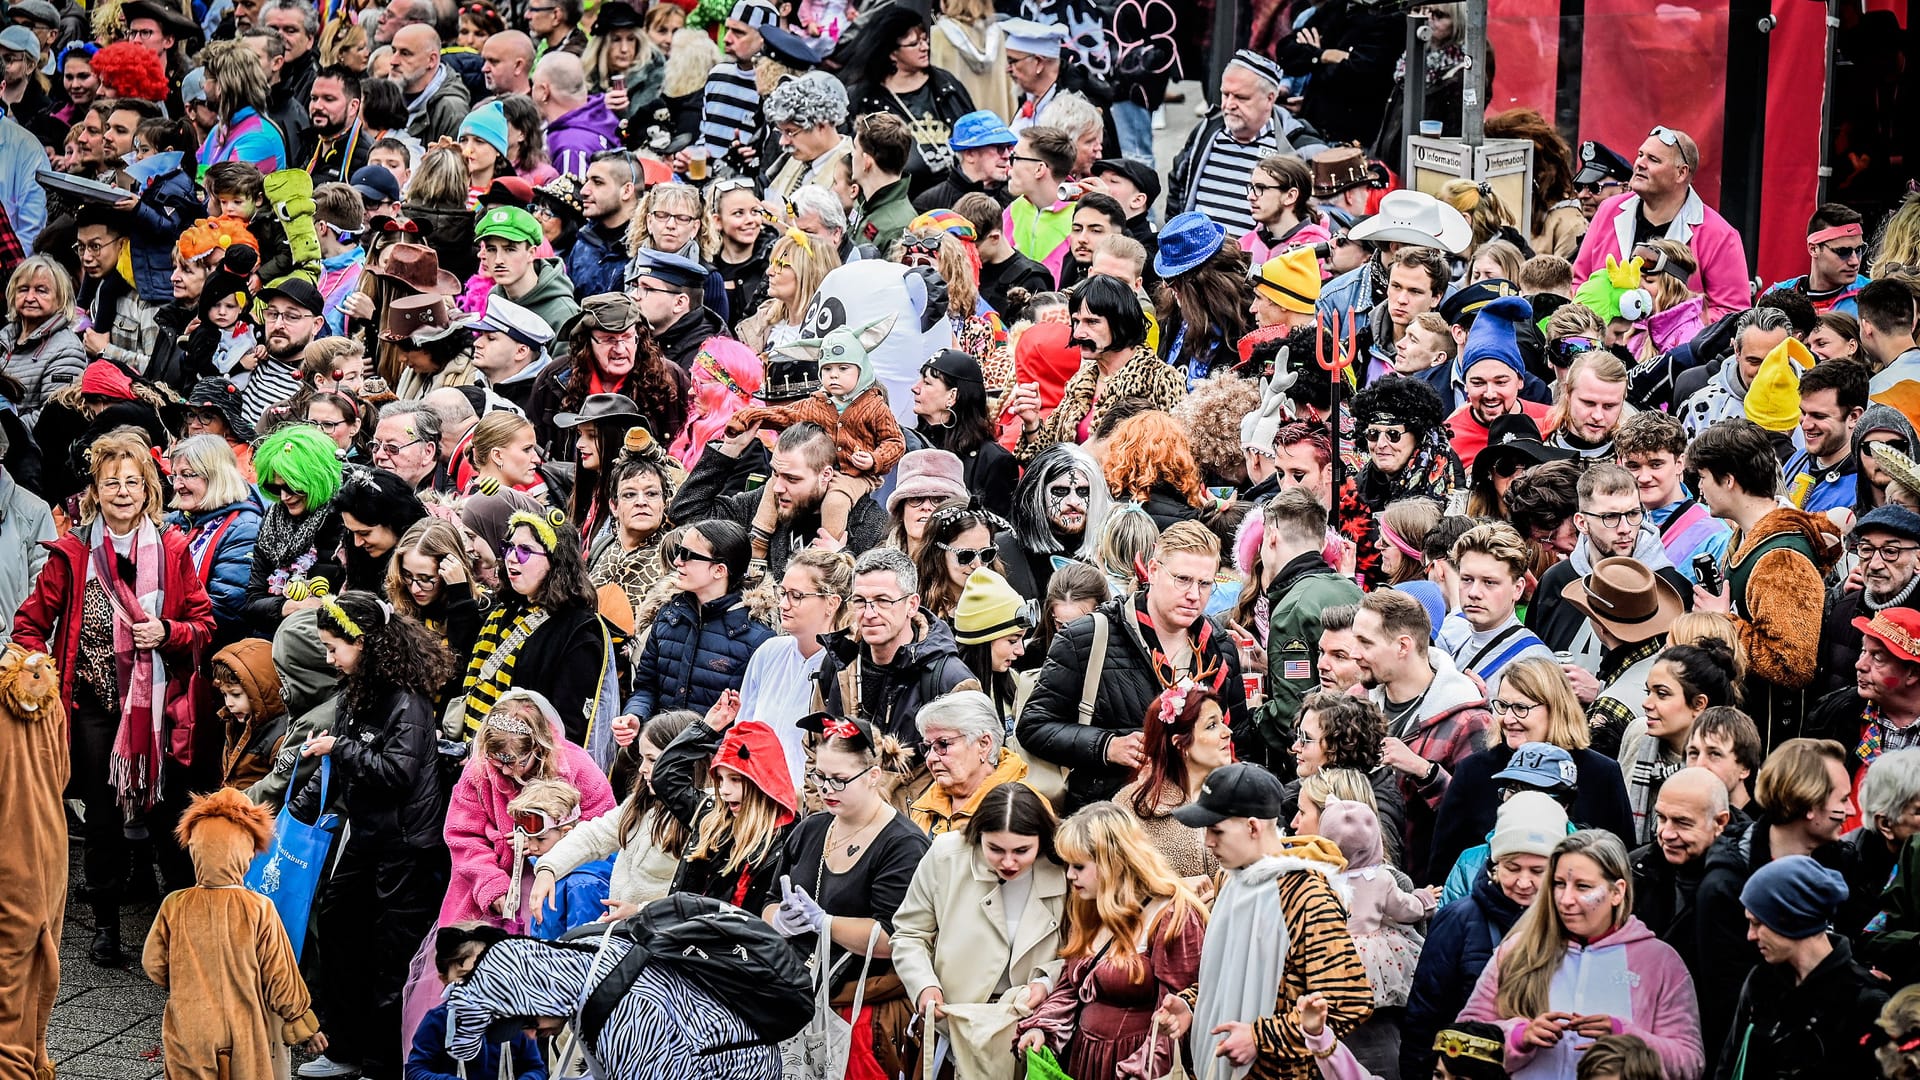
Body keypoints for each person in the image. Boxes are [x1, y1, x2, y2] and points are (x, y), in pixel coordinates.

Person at [16, 429, 216, 963]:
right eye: (111, 483)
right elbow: (29, 625)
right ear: (95, 491)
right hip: (93, 709)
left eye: (132, 482)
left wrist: (168, 632)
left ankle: (179, 928)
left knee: (166, 815)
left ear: (148, 489)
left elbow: (203, 624)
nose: (122, 492)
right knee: (101, 821)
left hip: (159, 712)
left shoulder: (173, 549)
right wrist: (41, 671)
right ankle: (105, 924)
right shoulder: (75, 551)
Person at [286, 592, 451, 1080]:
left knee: (390, 954)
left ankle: (382, 1063)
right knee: (338, 926)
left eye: (335, 647)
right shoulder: (358, 688)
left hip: (407, 847)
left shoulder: (408, 699)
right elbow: (334, 763)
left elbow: (396, 773)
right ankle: (345, 1046)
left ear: (366, 642)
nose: (329, 657)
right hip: (369, 836)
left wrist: (342, 746)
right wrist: (291, 816)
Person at [1149, 762, 1374, 1078]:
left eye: (1216, 830)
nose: (1207, 842)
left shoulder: (1306, 896)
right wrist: (1190, 1005)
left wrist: (1260, 1037)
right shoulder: (1229, 880)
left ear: (1253, 827)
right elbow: (1231, 976)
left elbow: (1347, 1002)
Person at [1018, 522, 1247, 812]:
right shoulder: (1086, 638)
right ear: (1152, 571)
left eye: (1204, 584)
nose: (1194, 595)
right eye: (1183, 579)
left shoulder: (1220, 646)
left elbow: (1239, 737)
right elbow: (1034, 725)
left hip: (1195, 819)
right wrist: (1107, 746)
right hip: (1110, 824)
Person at [1456, 829, 1704, 1078]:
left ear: (1617, 892)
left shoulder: (1660, 963)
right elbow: (1463, 1042)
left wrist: (1627, 1038)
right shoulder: (1517, 951)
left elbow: (1690, 1064)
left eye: (1583, 887)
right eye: (1559, 884)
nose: (1566, 899)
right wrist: (1519, 1037)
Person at [765, 713, 929, 1078]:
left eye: (839, 780)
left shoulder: (903, 844)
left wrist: (825, 923)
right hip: (795, 997)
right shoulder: (810, 828)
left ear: (873, 776)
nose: (826, 790)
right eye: (819, 776)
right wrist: (779, 920)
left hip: (858, 1010)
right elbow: (768, 898)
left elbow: (893, 938)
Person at [1695, 738, 1859, 1073]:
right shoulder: (1727, 882)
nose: (1853, 811)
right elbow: (1727, 1003)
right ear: (1810, 805)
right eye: (1843, 800)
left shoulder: (1845, 863)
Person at [141, 788, 323, 1080]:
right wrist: (301, 1022)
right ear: (247, 851)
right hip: (246, 1029)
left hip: (190, 1027)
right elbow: (280, 974)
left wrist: (184, 983)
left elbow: (154, 964)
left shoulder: (174, 905)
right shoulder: (259, 908)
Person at [1017, 802, 1207, 1079]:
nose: (1070, 875)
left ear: (1112, 862)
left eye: (1079, 866)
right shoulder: (1090, 904)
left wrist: (1140, 1071)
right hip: (1083, 1058)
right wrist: (1042, 1027)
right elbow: (1073, 985)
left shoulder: (1172, 915)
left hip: (1136, 1063)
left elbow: (1175, 1015)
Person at [1687, 419, 1843, 745]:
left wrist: (1723, 622)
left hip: (1772, 744)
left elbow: (1792, 666)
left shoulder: (1780, 559)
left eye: (1702, 478)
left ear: (1728, 480)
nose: (1699, 489)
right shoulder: (1749, 539)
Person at [893, 783, 1064, 1070]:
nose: (1008, 862)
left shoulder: (1065, 865)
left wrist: (1048, 981)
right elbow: (910, 933)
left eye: (1022, 850)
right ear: (978, 836)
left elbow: (1082, 948)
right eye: (995, 849)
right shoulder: (945, 855)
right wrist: (924, 984)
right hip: (954, 1025)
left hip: (1027, 1030)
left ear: (1042, 840)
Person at [1403, 792, 1564, 1080]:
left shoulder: (1572, 927)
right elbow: (1424, 1016)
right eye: (1512, 868)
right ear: (1493, 866)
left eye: (1537, 871)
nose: (1524, 882)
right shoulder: (1459, 920)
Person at [1429, 658, 1634, 882]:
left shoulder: (1601, 773)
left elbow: (1621, 861)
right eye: (1503, 706)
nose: (1508, 718)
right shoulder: (1474, 771)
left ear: (1555, 708)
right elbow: (1444, 867)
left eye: (1520, 708)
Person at [728, 314, 905, 567]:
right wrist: (750, 416)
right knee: (771, 486)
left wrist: (874, 459)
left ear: (861, 369)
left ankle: (827, 554)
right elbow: (784, 414)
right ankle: (758, 542)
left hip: (855, 474)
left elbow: (895, 441)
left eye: (843, 369)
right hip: (819, 467)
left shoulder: (874, 406)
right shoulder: (816, 404)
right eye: (828, 369)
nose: (834, 376)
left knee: (835, 500)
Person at [441, 688, 617, 934]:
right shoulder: (478, 770)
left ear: (537, 747)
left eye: (514, 762)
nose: (503, 771)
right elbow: (463, 836)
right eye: (496, 761)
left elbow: (603, 832)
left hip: (561, 885)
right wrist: (491, 884)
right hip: (491, 881)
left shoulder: (579, 769)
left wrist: (547, 842)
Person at [1352, 588, 1496, 880]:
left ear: (1403, 646)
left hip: (1429, 892)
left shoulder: (1468, 720)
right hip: (1363, 885)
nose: (1355, 654)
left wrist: (1426, 772)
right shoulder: (1358, 700)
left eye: (1365, 643)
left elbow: (1481, 821)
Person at [451, 509, 613, 748]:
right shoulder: (503, 610)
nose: (511, 558)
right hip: (476, 756)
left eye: (525, 551)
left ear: (556, 561)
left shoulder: (580, 630)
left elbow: (568, 730)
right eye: (509, 548)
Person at [1724, 855, 1890, 1080]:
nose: (1750, 936)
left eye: (1757, 923)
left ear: (1791, 918)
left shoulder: (1865, 1001)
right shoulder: (1761, 982)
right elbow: (1729, 1065)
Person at [1572, 126, 1749, 321]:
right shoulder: (1608, 210)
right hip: (1600, 346)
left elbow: (1731, 314)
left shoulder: (1720, 235)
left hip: (1673, 350)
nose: (1640, 163)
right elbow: (1579, 282)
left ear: (1681, 173)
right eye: (1640, 155)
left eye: (1653, 159)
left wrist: (1671, 330)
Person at [672, 422, 889, 581]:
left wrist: (841, 560)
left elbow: (871, 599)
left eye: (792, 479)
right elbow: (687, 512)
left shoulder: (867, 523)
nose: (778, 487)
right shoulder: (766, 505)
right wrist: (729, 450)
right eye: (775, 473)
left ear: (825, 475)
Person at [1531, 464, 1692, 668]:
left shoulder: (1672, 590)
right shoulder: (1557, 580)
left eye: (1633, 514)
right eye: (1610, 517)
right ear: (1581, 523)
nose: (1625, 529)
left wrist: (1601, 690)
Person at [620, 519, 772, 723]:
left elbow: (753, 719)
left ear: (719, 570)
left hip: (715, 753)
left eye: (687, 555)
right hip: (660, 749)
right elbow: (646, 687)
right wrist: (635, 715)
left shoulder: (758, 639)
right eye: (678, 551)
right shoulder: (668, 615)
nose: (677, 562)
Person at [651, 704, 797, 912]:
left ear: (764, 780)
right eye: (719, 778)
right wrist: (706, 728)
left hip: (740, 941)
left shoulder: (790, 837)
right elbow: (665, 777)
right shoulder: (712, 816)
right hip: (684, 935)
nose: (724, 790)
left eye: (735, 779)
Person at [1252, 489, 1362, 764]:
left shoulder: (1292, 609)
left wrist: (1255, 712)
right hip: (1355, 742)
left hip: (1317, 762)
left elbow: (1291, 716)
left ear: (1271, 537)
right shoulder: (1350, 589)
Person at [1629, 765, 1732, 978]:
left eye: (1682, 823)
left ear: (1720, 822)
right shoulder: (1637, 868)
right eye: (1661, 818)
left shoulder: (1741, 883)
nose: (1666, 833)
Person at [166, 435, 263, 644]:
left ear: (217, 476)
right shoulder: (172, 522)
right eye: (174, 476)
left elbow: (226, 610)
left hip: (209, 651)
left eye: (187, 475)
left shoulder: (244, 528)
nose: (177, 485)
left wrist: (165, 627)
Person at [910, 348, 1018, 518]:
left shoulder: (994, 461)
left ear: (952, 396)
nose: (915, 388)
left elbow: (998, 534)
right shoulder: (908, 445)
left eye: (927, 383)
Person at [1, 256, 86, 429]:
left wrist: (4, 431)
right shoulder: (4, 338)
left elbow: (52, 418)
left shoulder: (67, 349)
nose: (30, 297)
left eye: (41, 290)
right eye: (23, 289)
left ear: (60, 298)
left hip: (30, 452)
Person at [1780, 358, 1869, 518]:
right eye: (1803, 412)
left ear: (1854, 417)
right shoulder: (1798, 459)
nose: (1805, 425)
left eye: (1818, 416)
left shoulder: (1865, 486)